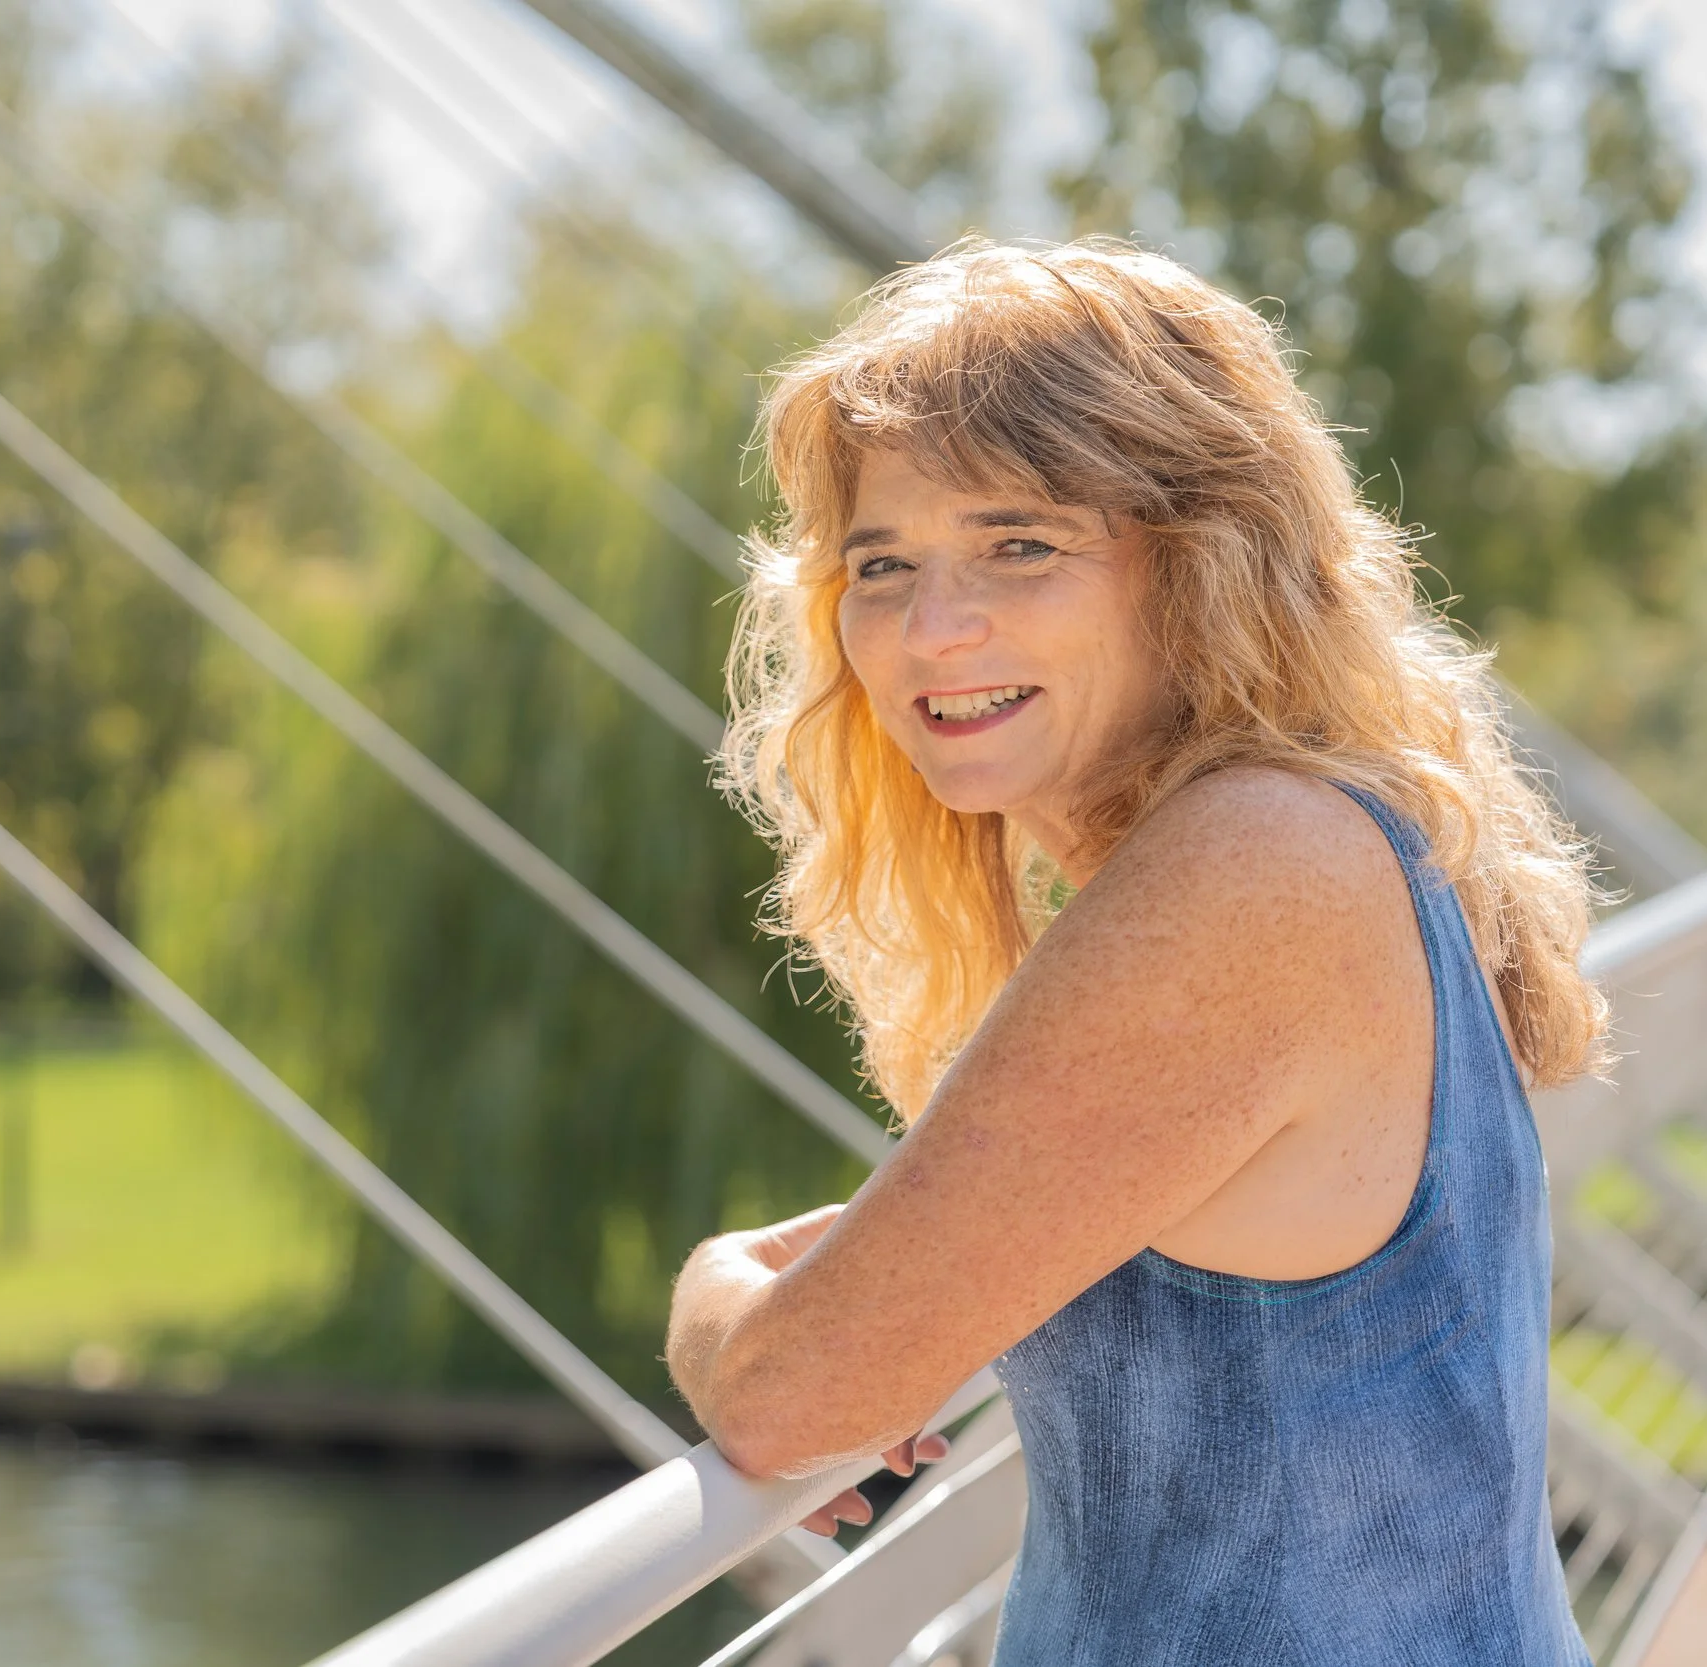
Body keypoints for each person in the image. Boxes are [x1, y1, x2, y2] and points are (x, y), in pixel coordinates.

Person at [667, 239, 1602, 1664]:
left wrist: (721, 1291)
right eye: (882, 564)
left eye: (1021, 544)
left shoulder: (1257, 868)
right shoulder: (1327, 834)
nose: (932, 629)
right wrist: (915, 1264)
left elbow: (784, 1400)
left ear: (1203, 558)